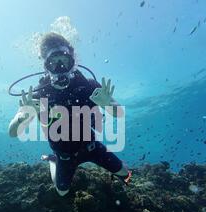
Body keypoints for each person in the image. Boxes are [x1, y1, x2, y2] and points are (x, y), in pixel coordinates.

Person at [9, 33, 131, 196]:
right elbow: (12, 132)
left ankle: (127, 178)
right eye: (53, 62)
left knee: (125, 173)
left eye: (64, 61)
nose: (60, 68)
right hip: (64, 156)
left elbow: (119, 113)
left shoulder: (88, 85)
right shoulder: (38, 95)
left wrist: (109, 104)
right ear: (46, 66)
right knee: (62, 192)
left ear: (73, 62)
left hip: (92, 147)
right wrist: (21, 119)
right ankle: (53, 161)